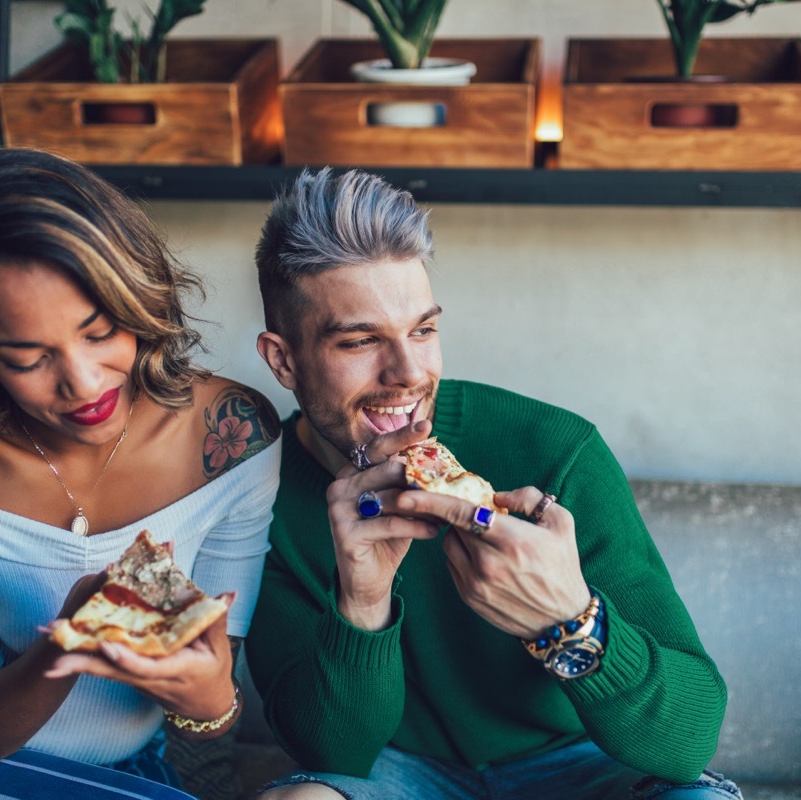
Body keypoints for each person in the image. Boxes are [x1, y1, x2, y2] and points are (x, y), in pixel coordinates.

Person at [246, 168, 740, 800]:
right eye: (360, 341)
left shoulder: (553, 450)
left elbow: (690, 742)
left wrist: (568, 620)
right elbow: (332, 753)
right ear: (282, 359)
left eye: (423, 330)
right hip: (401, 775)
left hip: (585, 769)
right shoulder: (261, 495)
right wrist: (362, 605)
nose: (407, 374)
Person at [0, 147, 281, 799]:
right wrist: (65, 643)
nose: (83, 382)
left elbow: (208, 719)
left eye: (101, 332)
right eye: (27, 356)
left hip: (130, 775)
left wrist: (212, 698)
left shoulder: (233, 437)